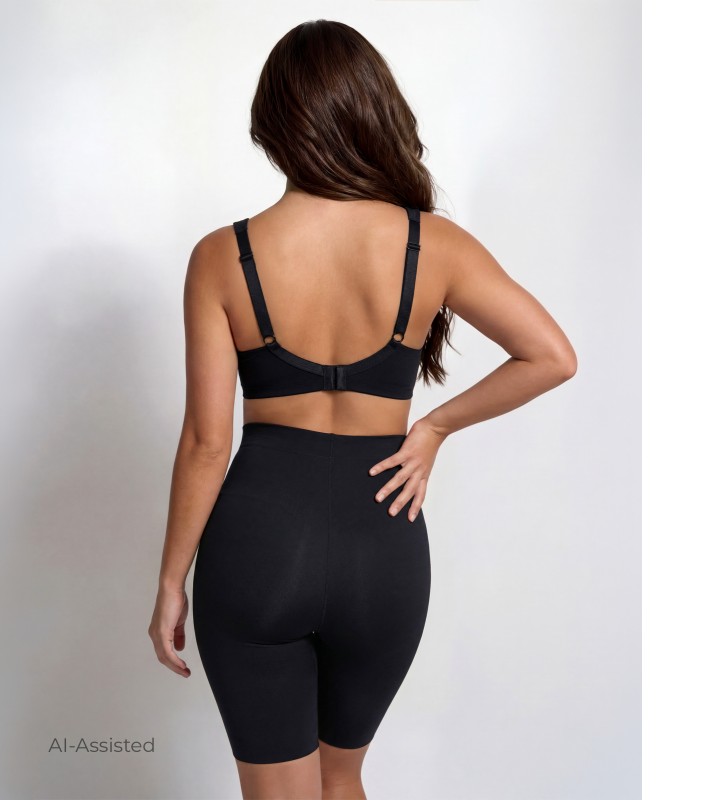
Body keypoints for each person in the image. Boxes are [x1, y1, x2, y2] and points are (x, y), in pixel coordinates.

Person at [148, 19, 577, 800]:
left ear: (273, 122)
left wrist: (172, 580)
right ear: (372, 111)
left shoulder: (222, 257)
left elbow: (208, 443)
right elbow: (552, 354)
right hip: (384, 546)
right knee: (342, 782)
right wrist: (434, 427)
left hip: (259, 548)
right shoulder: (432, 245)